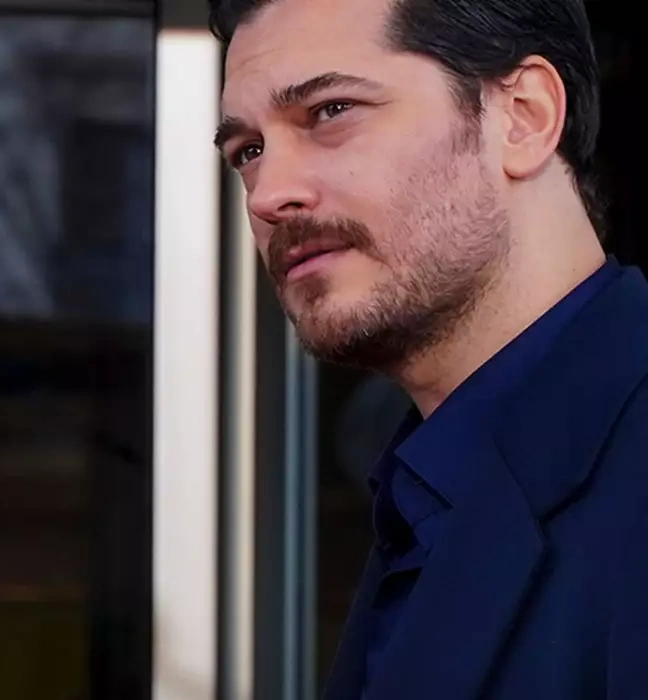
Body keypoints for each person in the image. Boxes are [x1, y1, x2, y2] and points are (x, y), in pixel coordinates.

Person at [210, 0, 648, 698]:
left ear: (524, 117)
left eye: (330, 111)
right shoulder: (425, 490)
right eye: (249, 152)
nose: (268, 195)